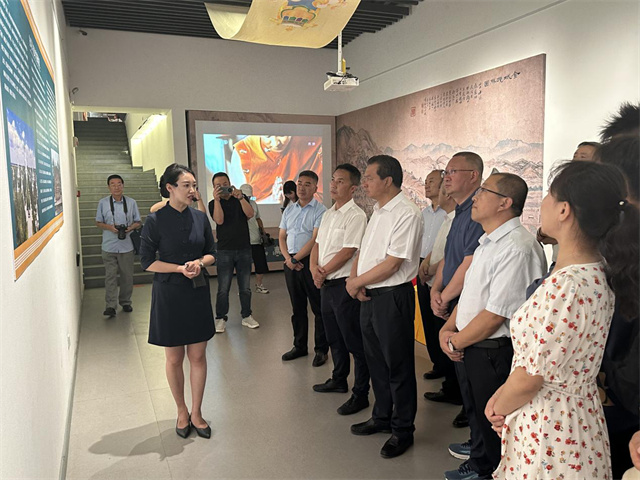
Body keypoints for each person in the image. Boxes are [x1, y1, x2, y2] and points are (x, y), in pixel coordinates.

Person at [486, 161, 638, 479]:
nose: (543, 203)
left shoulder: (567, 286)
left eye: (548, 195)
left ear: (564, 210)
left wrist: (499, 407)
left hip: (549, 427)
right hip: (578, 418)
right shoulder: (598, 273)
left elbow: (531, 378)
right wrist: (504, 395)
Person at [439, 173, 546, 480]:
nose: (476, 197)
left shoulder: (517, 247)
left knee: (496, 421)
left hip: (492, 350)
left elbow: (495, 315)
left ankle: (488, 471)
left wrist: (454, 342)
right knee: (478, 415)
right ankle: (479, 464)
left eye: (484, 191)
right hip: (470, 345)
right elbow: (471, 296)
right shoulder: (488, 242)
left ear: (505, 203)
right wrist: (448, 329)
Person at [347, 155, 423, 459]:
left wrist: (356, 282)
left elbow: (393, 264)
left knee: (398, 365)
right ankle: (381, 416)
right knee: (376, 361)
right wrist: (355, 280)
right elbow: (364, 252)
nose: (364, 183)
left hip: (392, 296)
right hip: (369, 294)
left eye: (369, 177)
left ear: (387, 180)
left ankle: (403, 429)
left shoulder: (406, 212)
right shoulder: (378, 211)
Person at [139, 164, 216, 439]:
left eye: (194, 185)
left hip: (197, 292)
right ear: (170, 188)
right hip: (169, 293)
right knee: (174, 358)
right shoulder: (155, 220)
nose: (192, 190)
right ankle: (181, 411)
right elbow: (147, 262)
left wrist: (199, 263)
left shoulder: (200, 218)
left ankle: (197, 412)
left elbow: (212, 253)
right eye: (186, 185)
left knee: (198, 355)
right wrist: (179, 268)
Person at [310, 164, 370, 415]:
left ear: (353, 188)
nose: (333, 185)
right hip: (325, 284)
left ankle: (361, 393)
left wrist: (322, 272)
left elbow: (348, 251)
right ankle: (338, 379)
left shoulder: (356, 215)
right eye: (333, 180)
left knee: (353, 341)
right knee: (334, 336)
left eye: (340, 181)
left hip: (344, 285)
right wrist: (313, 269)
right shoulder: (328, 214)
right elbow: (317, 244)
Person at [279, 170, 329, 365]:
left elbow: (315, 239)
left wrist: (296, 259)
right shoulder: (289, 210)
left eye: (307, 184)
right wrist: (288, 259)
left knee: (318, 307)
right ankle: (299, 346)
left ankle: (321, 350)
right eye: (300, 183)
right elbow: (282, 236)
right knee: (297, 307)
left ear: (315, 188)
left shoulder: (320, 210)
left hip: (310, 262)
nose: (301, 187)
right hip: (290, 263)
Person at [418, 183, 457, 394]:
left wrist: (432, 269)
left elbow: (451, 256)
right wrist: (426, 264)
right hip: (432, 279)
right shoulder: (447, 219)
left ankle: (451, 386)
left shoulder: (457, 220)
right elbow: (437, 248)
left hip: (445, 285)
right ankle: (441, 369)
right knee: (432, 328)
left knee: (445, 330)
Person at [208, 173, 259, 332]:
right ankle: (220, 318)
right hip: (224, 250)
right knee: (223, 288)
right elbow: (219, 220)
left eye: (225, 183)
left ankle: (247, 316)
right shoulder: (213, 203)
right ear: (214, 188)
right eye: (218, 185)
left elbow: (250, 214)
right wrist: (217, 200)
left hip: (244, 248)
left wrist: (241, 198)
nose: (223, 187)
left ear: (230, 183)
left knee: (245, 287)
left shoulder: (241, 199)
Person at [415, 170, 447, 380]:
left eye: (432, 181)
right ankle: (437, 363)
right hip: (422, 267)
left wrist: (432, 267)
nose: (427, 185)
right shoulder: (423, 214)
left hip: (442, 270)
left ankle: (447, 368)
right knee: (426, 318)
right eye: (425, 181)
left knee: (439, 320)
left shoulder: (449, 214)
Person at [95, 174, 141, 317]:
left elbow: (138, 221)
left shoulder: (131, 203)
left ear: (123, 185)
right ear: (109, 187)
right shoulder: (103, 203)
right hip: (109, 246)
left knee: (127, 276)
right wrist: (110, 227)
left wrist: (130, 227)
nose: (116, 187)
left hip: (127, 246)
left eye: (119, 184)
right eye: (113, 184)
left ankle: (126, 302)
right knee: (110, 277)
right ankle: (110, 306)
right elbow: (98, 222)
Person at [231, 135, 323, 202]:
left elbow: (322, 195)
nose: (276, 143)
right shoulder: (244, 151)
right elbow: (238, 201)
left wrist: (294, 199)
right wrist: (272, 200)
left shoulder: (312, 143)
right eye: (268, 137)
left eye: (282, 135)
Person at [240, 184, 270, 294]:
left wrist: (263, 232)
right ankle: (243, 288)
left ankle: (259, 285)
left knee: (260, 263)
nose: (247, 197)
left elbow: (258, 218)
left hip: (256, 239)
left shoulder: (253, 204)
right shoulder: (237, 204)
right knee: (243, 266)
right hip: (243, 241)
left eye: (249, 196)